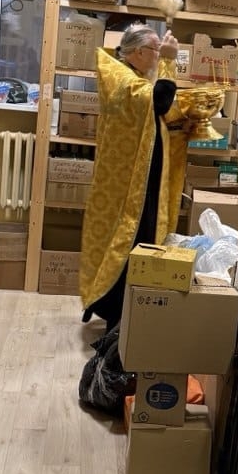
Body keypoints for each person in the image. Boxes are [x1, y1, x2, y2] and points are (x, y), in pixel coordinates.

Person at [79, 23, 187, 331]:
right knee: (130, 241)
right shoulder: (122, 78)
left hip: (136, 179)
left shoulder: (131, 75)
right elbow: (158, 101)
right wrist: (169, 60)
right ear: (138, 52)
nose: (157, 56)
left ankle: (121, 309)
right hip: (129, 186)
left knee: (136, 238)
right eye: (155, 50)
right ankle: (117, 314)